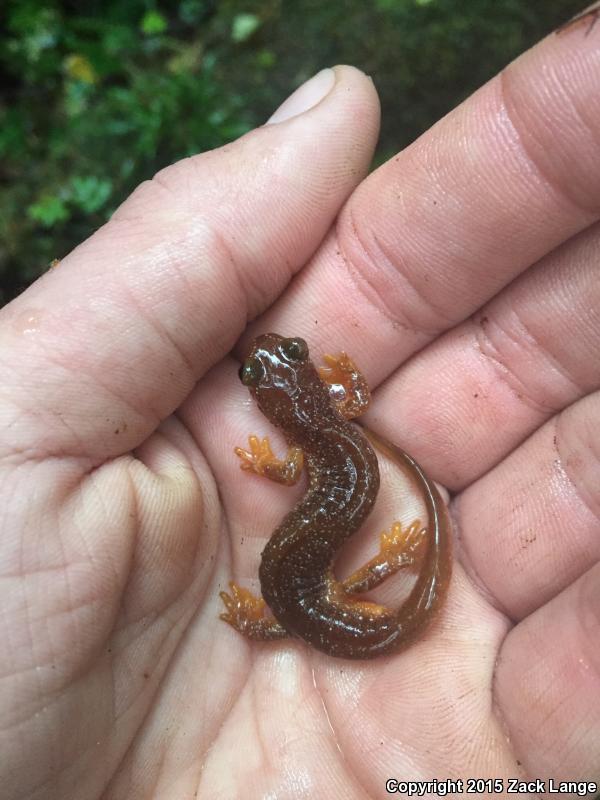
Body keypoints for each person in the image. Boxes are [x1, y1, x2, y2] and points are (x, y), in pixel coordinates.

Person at [2, 19, 599, 800]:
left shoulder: (322, 450)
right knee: (319, 594)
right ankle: (374, 579)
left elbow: (304, 459)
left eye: (284, 362)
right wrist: (365, 549)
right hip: (304, 600)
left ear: (292, 401)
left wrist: (311, 558)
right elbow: (331, 428)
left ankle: (362, 584)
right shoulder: (333, 434)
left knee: (310, 595)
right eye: (271, 368)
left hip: (302, 599)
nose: (278, 353)